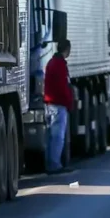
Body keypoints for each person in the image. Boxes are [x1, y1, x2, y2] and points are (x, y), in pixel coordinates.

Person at [44, 39, 74, 174]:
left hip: (49, 104)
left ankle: (51, 163)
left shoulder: (51, 63)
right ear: (66, 49)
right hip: (58, 105)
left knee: (51, 136)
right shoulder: (60, 64)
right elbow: (63, 87)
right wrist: (69, 102)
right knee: (58, 136)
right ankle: (55, 164)